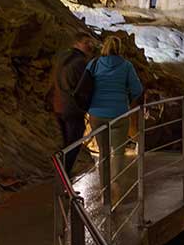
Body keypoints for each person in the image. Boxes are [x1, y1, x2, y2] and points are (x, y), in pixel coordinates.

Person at [84, 36, 143, 201]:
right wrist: (126, 96)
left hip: (97, 113)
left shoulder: (94, 64)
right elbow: (137, 89)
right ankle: (115, 182)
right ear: (120, 49)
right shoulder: (126, 66)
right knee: (118, 152)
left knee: (103, 153)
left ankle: (105, 190)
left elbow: (85, 84)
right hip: (119, 113)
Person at [51, 31, 95, 172]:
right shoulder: (80, 63)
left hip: (59, 106)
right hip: (73, 108)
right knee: (73, 144)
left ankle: (62, 178)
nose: (90, 45)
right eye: (86, 42)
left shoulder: (62, 58)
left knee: (67, 144)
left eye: (90, 42)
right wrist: (86, 105)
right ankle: (64, 176)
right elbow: (84, 87)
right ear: (77, 43)